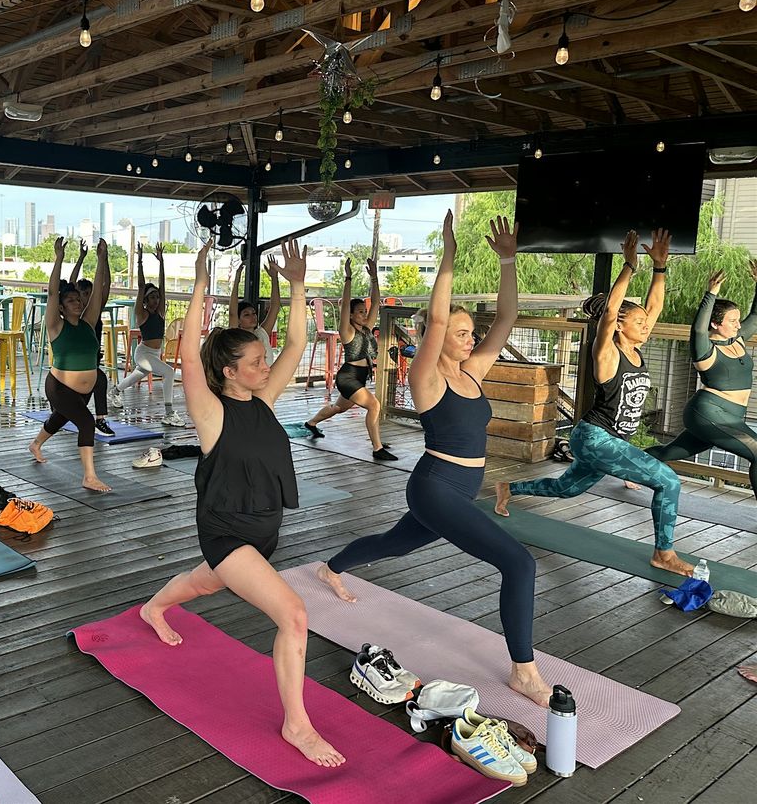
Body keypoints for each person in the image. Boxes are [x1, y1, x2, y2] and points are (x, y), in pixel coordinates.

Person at [317, 212, 553, 706]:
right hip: (435, 486)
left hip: (460, 489)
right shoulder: (429, 376)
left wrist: (508, 259)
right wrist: (448, 253)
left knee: (396, 543)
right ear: (438, 336)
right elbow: (438, 317)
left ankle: (331, 568)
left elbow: (507, 317)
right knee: (519, 565)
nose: (471, 338)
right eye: (463, 332)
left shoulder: (473, 372)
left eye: (472, 333)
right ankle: (524, 672)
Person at [139, 238, 345, 768]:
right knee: (293, 615)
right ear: (229, 371)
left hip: (264, 529)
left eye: (263, 357)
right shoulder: (211, 414)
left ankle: (154, 606)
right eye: (255, 360)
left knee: (207, 581)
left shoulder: (264, 400)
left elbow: (297, 343)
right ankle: (296, 725)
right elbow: (187, 353)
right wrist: (203, 280)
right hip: (227, 529)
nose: (266, 362)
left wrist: (298, 284)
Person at [496, 230, 694, 576]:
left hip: (608, 442)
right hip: (595, 438)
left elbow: (655, 305)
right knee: (668, 481)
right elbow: (610, 313)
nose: (647, 326)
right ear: (618, 326)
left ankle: (507, 488)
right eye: (638, 322)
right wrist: (630, 266)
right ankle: (663, 553)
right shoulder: (607, 353)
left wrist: (660, 267)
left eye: (646, 322)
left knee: (567, 487)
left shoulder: (635, 348)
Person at [645, 264, 757, 492]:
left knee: (668, 453)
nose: (738, 324)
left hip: (731, 417)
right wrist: (711, 294)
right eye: (732, 321)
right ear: (715, 324)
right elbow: (697, 330)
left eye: (738, 320)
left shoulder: (737, 339)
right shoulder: (706, 349)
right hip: (708, 413)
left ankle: (615, 463)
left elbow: (755, 316)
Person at [29, 238, 113, 492]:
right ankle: (89, 477)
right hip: (59, 386)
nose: (78, 302)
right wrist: (58, 259)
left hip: (83, 389)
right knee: (86, 423)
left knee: (61, 417)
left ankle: (36, 444)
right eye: (72, 301)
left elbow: (98, 292)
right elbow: (53, 292)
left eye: (79, 299)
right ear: (62, 309)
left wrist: (102, 259)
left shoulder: (88, 323)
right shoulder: (57, 326)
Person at [303, 256, 395, 460]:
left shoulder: (367, 328)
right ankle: (377, 448)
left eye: (365, 311)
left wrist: (374, 278)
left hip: (359, 377)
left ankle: (311, 424)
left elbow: (376, 303)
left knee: (338, 408)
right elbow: (345, 305)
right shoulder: (347, 331)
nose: (364, 314)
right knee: (374, 405)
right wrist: (348, 278)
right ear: (352, 315)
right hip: (348, 377)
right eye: (360, 312)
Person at [110, 243, 182, 426]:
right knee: (169, 372)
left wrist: (161, 262)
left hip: (154, 355)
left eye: (157, 297)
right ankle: (169, 412)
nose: (156, 300)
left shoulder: (160, 312)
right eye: (152, 297)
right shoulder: (141, 314)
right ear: (145, 300)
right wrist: (140, 260)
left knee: (136, 376)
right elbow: (141, 285)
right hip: (143, 354)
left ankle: (115, 391)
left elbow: (163, 284)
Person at [69, 240, 115, 437]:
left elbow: (106, 285)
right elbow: (71, 283)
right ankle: (100, 420)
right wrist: (80, 258)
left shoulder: (94, 312)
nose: (84, 298)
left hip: (91, 362)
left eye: (88, 294)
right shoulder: (74, 314)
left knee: (84, 397)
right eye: (81, 294)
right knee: (100, 379)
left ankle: (96, 419)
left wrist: (103, 259)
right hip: (75, 365)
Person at [228, 255, 281, 365]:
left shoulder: (262, 333)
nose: (252, 316)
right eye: (246, 315)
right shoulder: (236, 336)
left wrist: (274, 278)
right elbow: (233, 313)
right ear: (238, 320)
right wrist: (237, 281)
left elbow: (275, 307)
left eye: (253, 313)